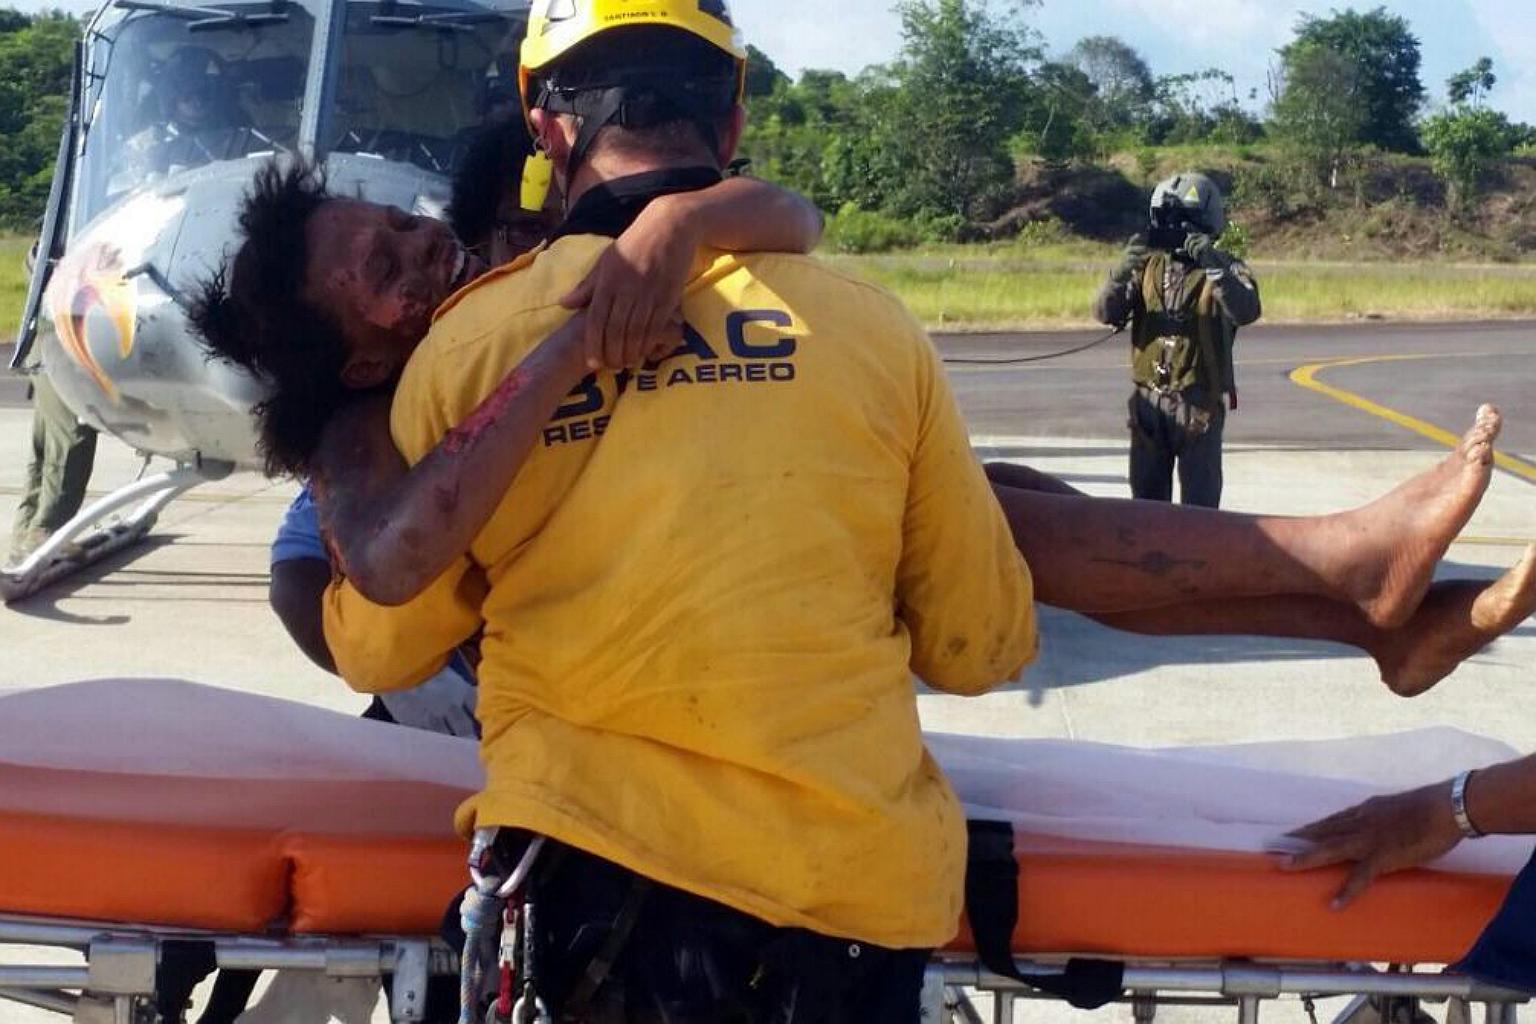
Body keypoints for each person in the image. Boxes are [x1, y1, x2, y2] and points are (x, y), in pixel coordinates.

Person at [1095, 172, 1260, 508]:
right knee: (1146, 508)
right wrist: (1117, 277)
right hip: (1148, 405)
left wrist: (1214, 268)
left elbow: (1246, 311)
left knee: (1200, 511)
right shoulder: (1145, 268)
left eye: (1185, 223)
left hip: (1198, 405)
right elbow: (1104, 313)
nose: (1176, 231)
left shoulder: (1227, 268)